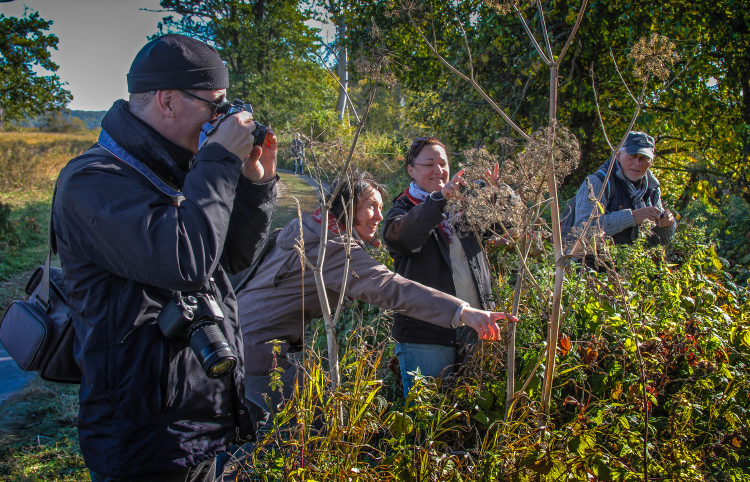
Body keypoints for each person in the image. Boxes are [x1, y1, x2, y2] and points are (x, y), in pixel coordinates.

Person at [53, 34, 278, 481]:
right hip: (143, 432)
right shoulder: (92, 180)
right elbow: (186, 262)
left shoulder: (177, 170)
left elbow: (230, 256)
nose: (222, 119)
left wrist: (254, 183)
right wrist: (216, 159)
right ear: (168, 101)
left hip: (197, 419)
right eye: (215, 107)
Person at [236, 170, 514, 420]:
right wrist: (462, 311)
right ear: (346, 204)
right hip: (257, 352)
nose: (380, 217)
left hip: (239, 337)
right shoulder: (331, 247)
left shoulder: (308, 227)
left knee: (245, 429)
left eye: (381, 208)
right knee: (313, 423)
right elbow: (389, 287)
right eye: (371, 207)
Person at [382, 137, 498, 397]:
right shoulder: (401, 210)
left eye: (443, 163)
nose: (438, 170)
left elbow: (501, 228)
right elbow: (403, 239)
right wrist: (438, 201)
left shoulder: (462, 206)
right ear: (411, 170)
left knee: (466, 416)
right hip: (426, 336)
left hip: (475, 326)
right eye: (429, 164)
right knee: (427, 420)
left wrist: (493, 195)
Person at [572, 131, 676, 246]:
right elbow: (583, 231)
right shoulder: (598, 182)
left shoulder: (652, 187)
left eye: (643, 158)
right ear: (618, 156)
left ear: (651, 162)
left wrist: (667, 224)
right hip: (594, 262)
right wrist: (632, 217)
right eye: (632, 156)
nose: (637, 163)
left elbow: (661, 242)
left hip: (632, 261)